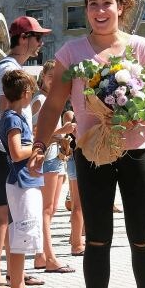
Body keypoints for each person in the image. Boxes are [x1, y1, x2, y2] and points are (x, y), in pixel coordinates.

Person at [30, 0, 145, 288]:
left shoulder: (142, 49)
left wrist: (144, 112)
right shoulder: (70, 54)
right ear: (85, 10)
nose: (100, 11)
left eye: (107, 3)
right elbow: (54, 105)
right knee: (97, 238)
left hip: (139, 152)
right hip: (92, 154)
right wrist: (39, 144)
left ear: (121, 7)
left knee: (142, 235)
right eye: (93, 4)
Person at [0, 16, 51, 288]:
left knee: (13, 216)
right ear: (23, 38)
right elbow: (5, 112)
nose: (41, 43)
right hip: (5, 153)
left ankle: (16, 276)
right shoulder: (8, 69)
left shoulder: (10, 67)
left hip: (9, 152)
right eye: (37, 37)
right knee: (3, 213)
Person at [0, 69, 47, 288]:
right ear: (26, 93)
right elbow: (17, 152)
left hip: (26, 182)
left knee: (23, 237)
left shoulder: (14, 116)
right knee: (21, 238)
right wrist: (39, 147)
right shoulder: (12, 118)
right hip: (21, 183)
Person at [30, 60, 77, 273]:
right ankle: (47, 256)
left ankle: (42, 255)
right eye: (50, 76)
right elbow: (35, 131)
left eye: (56, 77)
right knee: (46, 210)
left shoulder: (50, 99)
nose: (53, 80)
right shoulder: (40, 100)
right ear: (43, 76)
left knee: (51, 209)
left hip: (54, 157)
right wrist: (62, 131)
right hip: (47, 157)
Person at [62, 109, 85, 257]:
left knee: (76, 205)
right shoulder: (75, 120)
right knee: (79, 206)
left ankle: (74, 237)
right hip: (77, 161)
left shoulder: (70, 119)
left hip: (71, 161)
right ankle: (77, 244)